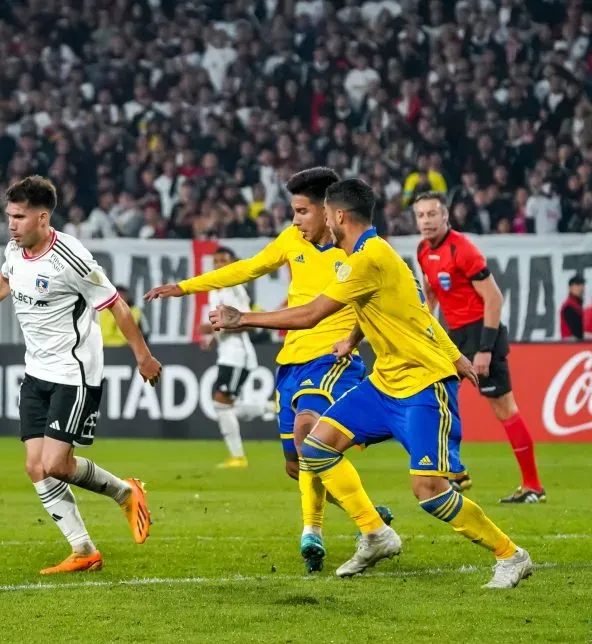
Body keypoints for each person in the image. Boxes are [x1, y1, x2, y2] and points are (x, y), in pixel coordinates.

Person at [210, 179, 532, 588]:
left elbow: (310, 314)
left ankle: (511, 555)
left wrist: (243, 319)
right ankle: (376, 534)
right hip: (383, 384)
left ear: (340, 216)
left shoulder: (367, 260)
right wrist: (355, 338)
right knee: (317, 447)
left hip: (422, 386)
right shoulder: (372, 257)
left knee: (429, 491)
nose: (323, 221)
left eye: (325, 213)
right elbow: (408, 310)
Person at [145, 167, 391, 573]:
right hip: (291, 360)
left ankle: (337, 532)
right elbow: (248, 268)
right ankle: (364, 511)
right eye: (292, 211)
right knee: (297, 465)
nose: (295, 220)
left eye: (302, 211)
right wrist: (186, 286)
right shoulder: (293, 240)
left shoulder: (360, 252)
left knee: (309, 434)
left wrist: (354, 339)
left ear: (330, 211)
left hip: (332, 359)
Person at [0, 175, 162, 574]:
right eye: (8, 216)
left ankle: (124, 491)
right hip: (37, 371)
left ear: (42, 217)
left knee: (54, 464)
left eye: (18, 216)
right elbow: (6, 278)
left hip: (74, 372)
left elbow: (116, 305)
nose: (11, 224)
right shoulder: (15, 249)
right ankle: (83, 549)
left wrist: (143, 356)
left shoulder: (72, 257)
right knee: (36, 466)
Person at [414, 191, 546, 503]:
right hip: (454, 335)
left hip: (482, 334)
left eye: (432, 214)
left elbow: (494, 299)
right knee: (437, 395)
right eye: (421, 216)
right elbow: (432, 293)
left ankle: (533, 486)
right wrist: (426, 326)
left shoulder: (464, 250)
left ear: (446, 217)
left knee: (504, 409)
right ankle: (456, 472)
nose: (426, 221)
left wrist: (485, 349)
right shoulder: (422, 250)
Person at [192, 246, 274, 468]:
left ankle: (238, 457)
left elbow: (245, 323)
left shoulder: (235, 288)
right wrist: (212, 337)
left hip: (239, 355)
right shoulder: (214, 290)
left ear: (233, 263)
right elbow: (223, 326)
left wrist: (211, 329)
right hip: (226, 354)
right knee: (226, 406)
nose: (219, 265)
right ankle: (271, 408)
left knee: (221, 404)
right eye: (216, 261)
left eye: (223, 261)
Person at [561, 275, 586, 340]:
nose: (581, 287)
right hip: (571, 345)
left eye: (582, 284)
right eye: (577, 284)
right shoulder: (569, 306)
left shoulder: (577, 305)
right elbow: (577, 332)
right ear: (570, 288)